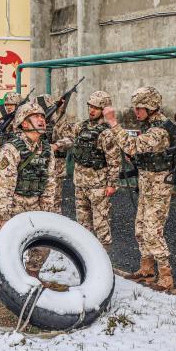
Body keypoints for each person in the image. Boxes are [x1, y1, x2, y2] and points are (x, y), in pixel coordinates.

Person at [0, 102, 57, 306]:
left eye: (42, 116)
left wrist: (47, 209)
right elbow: (5, 187)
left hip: (36, 204)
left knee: (41, 245)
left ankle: (32, 278)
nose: (41, 119)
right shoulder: (11, 149)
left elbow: (50, 180)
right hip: (13, 205)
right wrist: (1, 216)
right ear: (24, 124)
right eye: (35, 117)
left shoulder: (46, 149)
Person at [102, 86, 176, 294]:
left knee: (153, 231)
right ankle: (146, 269)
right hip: (147, 182)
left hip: (158, 185)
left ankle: (166, 275)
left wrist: (113, 123)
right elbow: (138, 150)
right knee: (140, 228)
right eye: (136, 108)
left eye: (140, 108)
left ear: (151, 107)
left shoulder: (159, 130)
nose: (136, 112)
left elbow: (132, 145)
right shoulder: (149, 126)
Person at [54, 91, 121, 250]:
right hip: (80, 183)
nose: (92, 110)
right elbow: (64, 131)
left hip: (98, 186)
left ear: (103, 110)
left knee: (101, 224)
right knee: (83, 224)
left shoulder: (107, 132)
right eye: (90, 106)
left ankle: (105, 260)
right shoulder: (81, 126)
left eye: (96, 108)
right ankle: (87, 257)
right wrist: (60, 110)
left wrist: (111, 184)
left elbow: (114, 160)